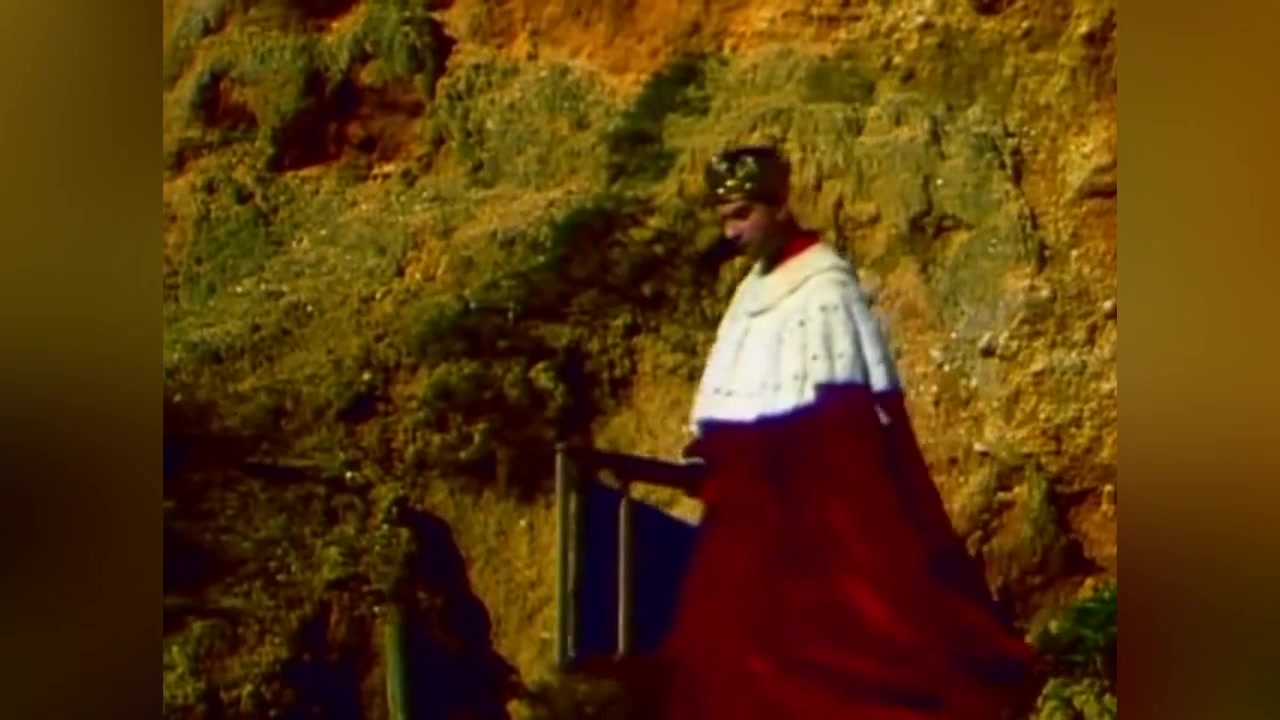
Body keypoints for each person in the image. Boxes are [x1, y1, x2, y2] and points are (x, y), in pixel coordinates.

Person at [655, 145, 1043, 719]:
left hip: (813, 513)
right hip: (751, 511)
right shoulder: (750, 292)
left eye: (742, 214)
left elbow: (842, 431)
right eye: (724, 218)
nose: (731, 231)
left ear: (777, 206)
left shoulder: (824, 287)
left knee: (843, 654)